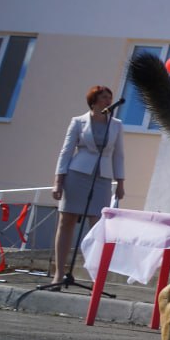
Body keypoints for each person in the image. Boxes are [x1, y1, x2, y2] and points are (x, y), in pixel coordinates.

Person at [50, 85, 125, 282]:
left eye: (110, 98)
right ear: (93, 101)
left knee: (98, 224)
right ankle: (59, 272)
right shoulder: (78, 122)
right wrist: (58, 181)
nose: (108, 101)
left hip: (102, 178)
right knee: (67, 221)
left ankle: (95, 273)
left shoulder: (116, 124)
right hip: (77, 174)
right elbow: (66, 152)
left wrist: (121, 182)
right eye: (103, 97)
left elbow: (118, 155)